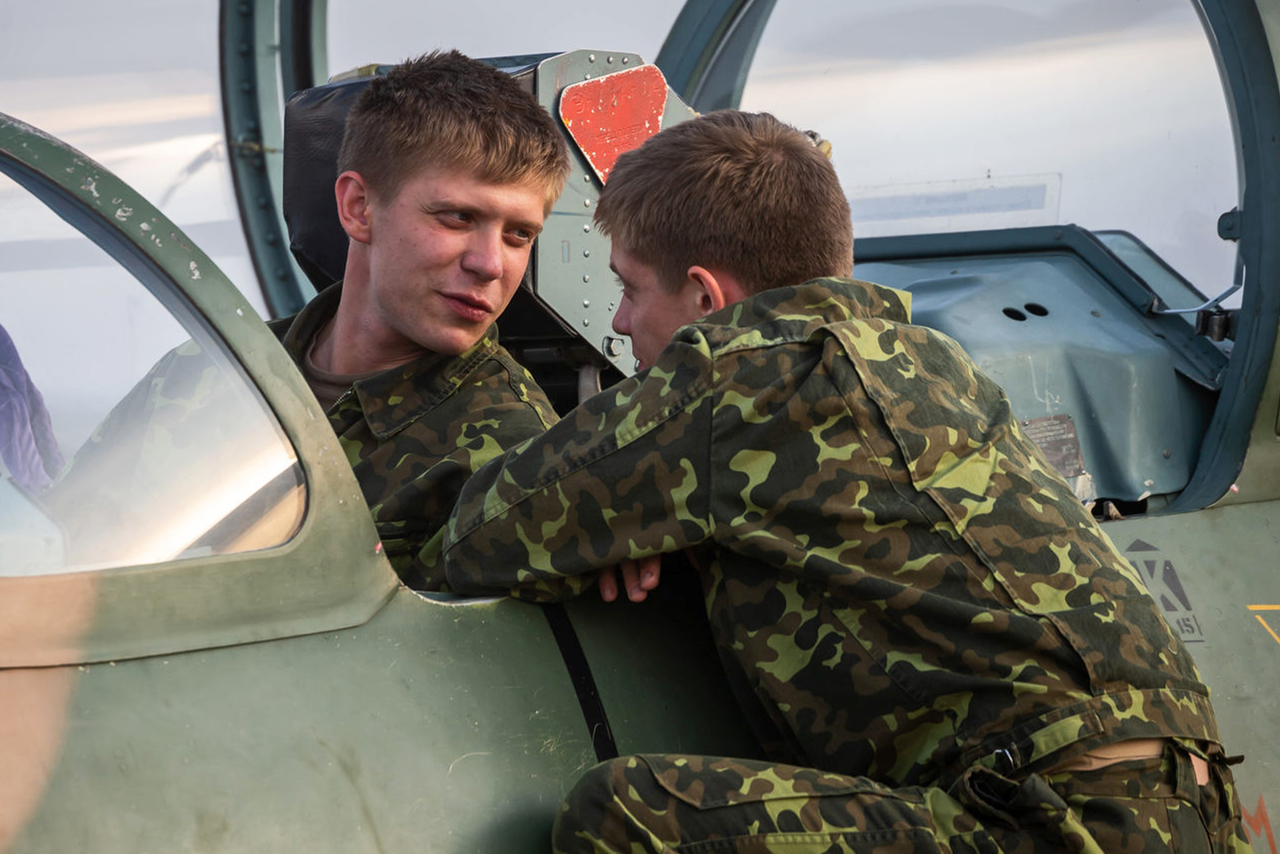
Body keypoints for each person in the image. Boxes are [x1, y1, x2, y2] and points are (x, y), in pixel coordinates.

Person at [441, 111, 1251, 852]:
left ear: (703, 295)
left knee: (628, 815)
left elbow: (477, 537)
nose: (618, 322)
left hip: (1038, 823)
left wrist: (611, 529)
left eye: (629, 287)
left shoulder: (734, 380)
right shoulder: (937, 365)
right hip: (1189, 808)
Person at [271, 50, 569, 588]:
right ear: (359, 208)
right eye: (458, 217)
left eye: (519, 235)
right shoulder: (226, 370)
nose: (491, 264)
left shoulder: (512, 455)